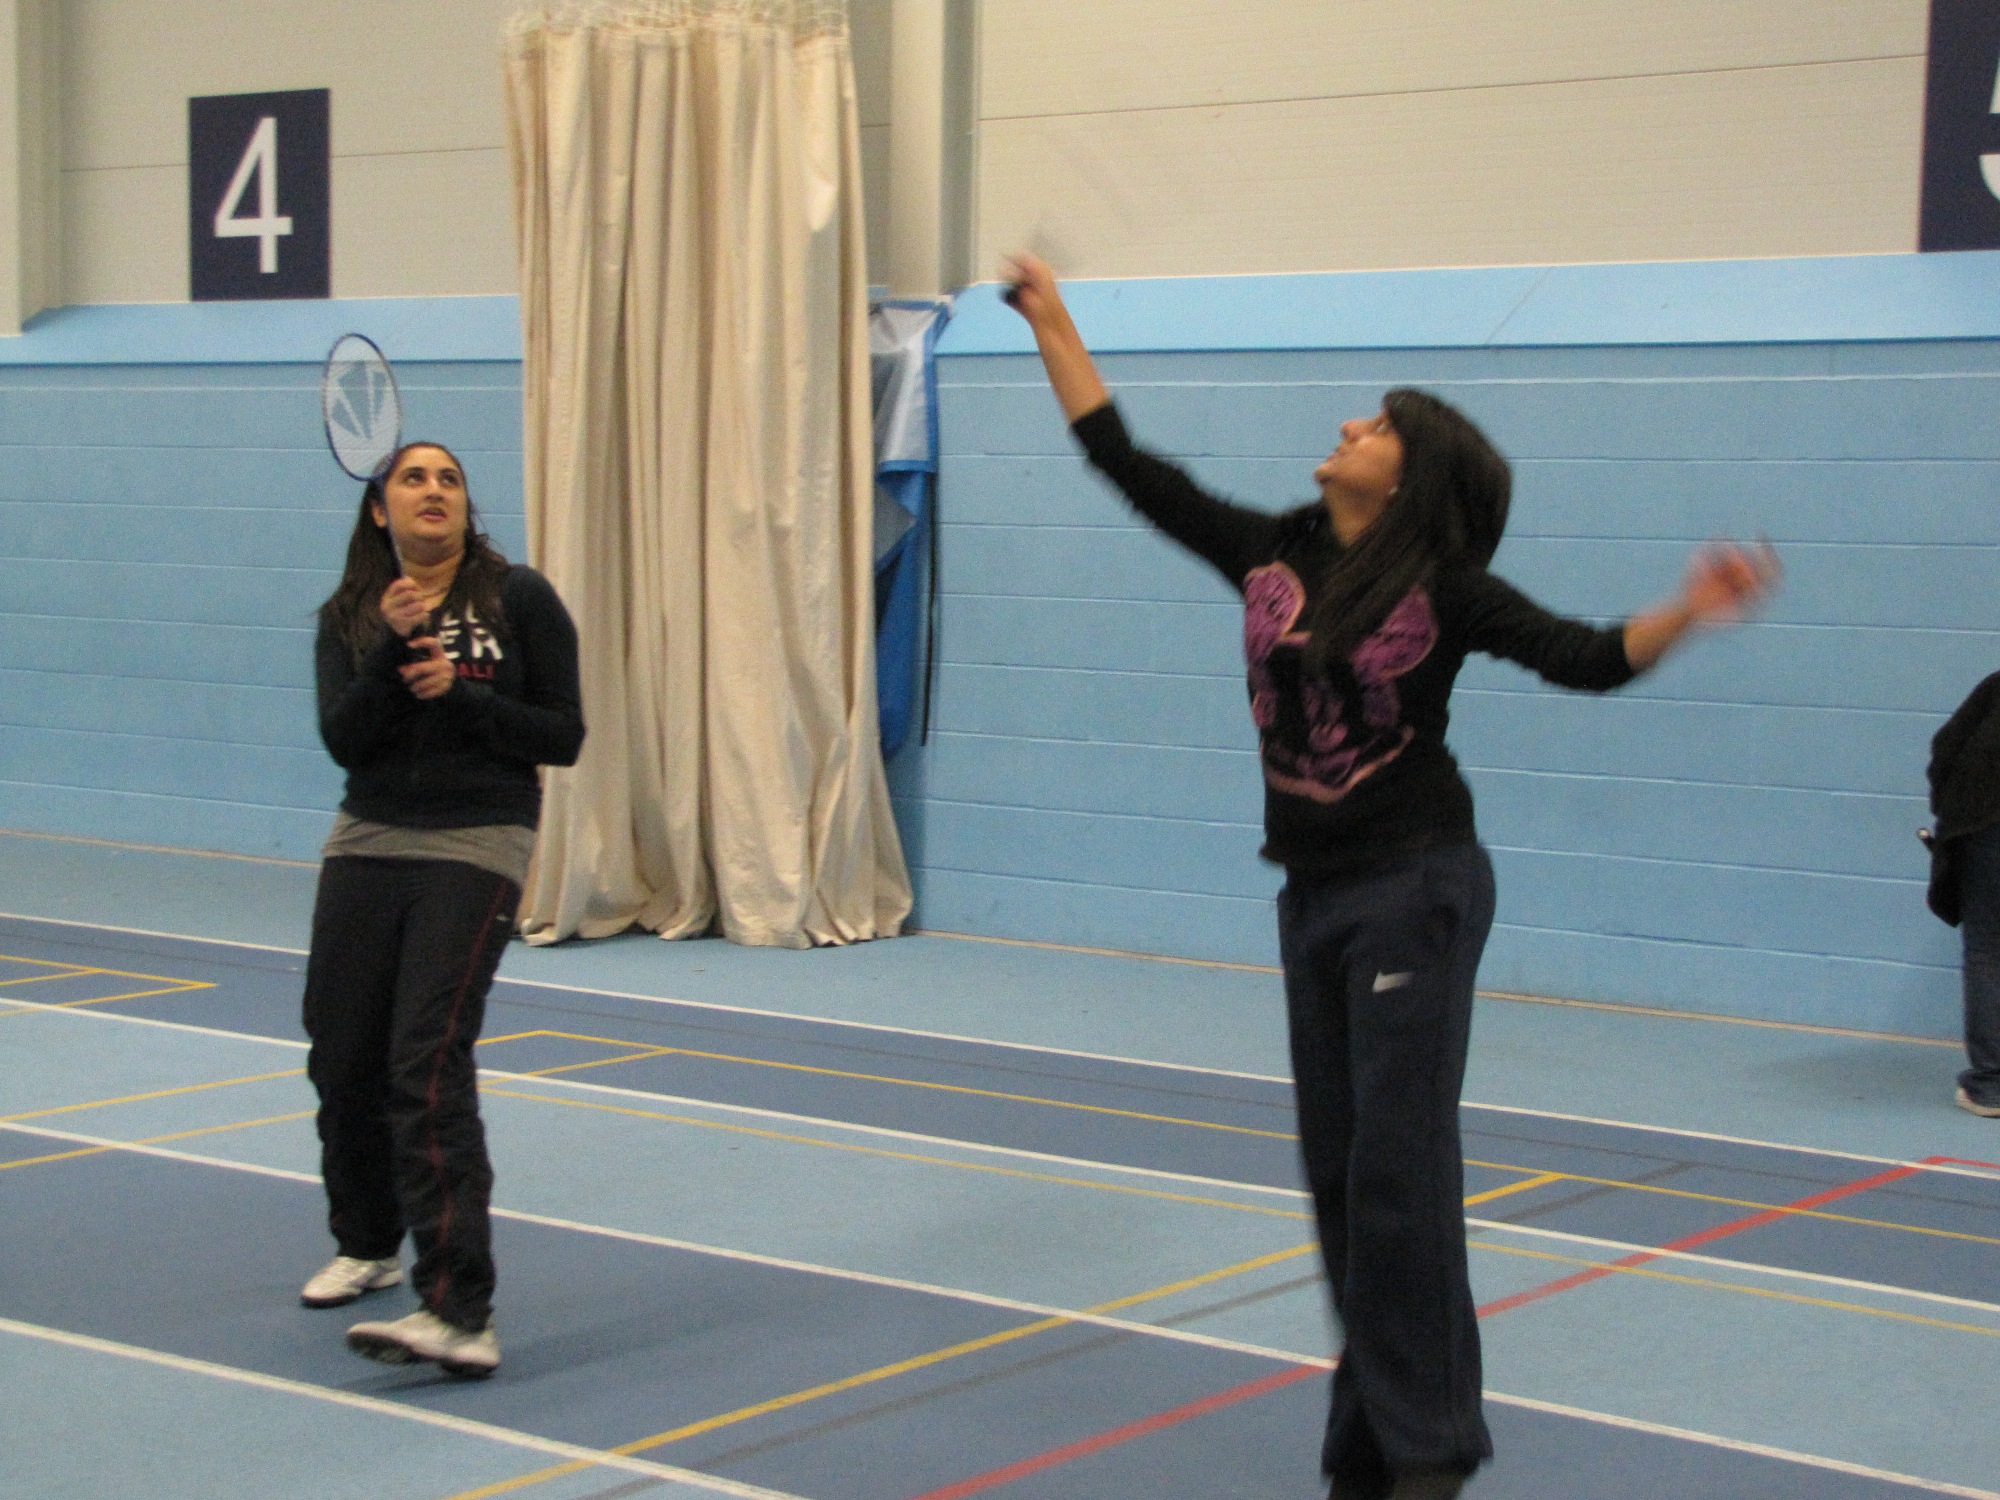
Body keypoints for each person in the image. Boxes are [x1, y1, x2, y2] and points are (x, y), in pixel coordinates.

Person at [1001, 254, 1778, 1500]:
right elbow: (1124, 462)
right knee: (1339, 1182)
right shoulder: (1273, 549)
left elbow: (1585, 658)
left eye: (1372, 426)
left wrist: (1685, 605)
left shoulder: (1443, 589)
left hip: (1414, 887)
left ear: (1407, 475)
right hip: (1310, 895)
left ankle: (1428, 1453)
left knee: (1396, 1180)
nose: (1346, 427)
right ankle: (1370, 1449)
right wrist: (1052, 319)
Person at [298, 441, 584, 1377]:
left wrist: (460, 697)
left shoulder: (519, 597)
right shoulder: (350, 614)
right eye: (413, 479)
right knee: (342, 1053)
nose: (434, 491)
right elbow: (344, 742)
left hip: (478, 839)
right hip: (370, 838)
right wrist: (390, 653)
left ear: (465, 506)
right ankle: (368, 1243)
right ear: (380, 510)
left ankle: (460, 1309)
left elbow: (564, 735)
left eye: (450, 479)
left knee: (426, 1059)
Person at [1925, 670, 2000, 1118]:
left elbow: (1947, 748)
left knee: (1988, 950)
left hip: (1984, 829)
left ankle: (1991, 1086)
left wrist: (1950, 815)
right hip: (1984, 826)